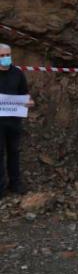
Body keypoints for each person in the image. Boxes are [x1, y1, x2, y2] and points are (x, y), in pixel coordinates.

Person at [0, 44, 34, 198]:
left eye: (7, 55)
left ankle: (15, 184)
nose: (5, 58)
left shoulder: (18, 74)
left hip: (14, 120)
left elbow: (24, 94)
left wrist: (29, 102)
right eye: (2, 56)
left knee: (14, 152)